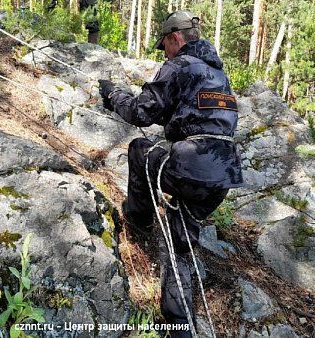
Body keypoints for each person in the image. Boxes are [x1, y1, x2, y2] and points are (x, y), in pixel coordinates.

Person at [98, 10, 243, 337]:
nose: (163, 51)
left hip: (191, 164)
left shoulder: (180, 65)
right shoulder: (219, 76)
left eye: (163, 44)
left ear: (175, 38)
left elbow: (140, 112)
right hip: (224, 175)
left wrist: (112, 95)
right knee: (178, 247)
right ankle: (180, 329)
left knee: (139, 148)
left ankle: (136, 219)